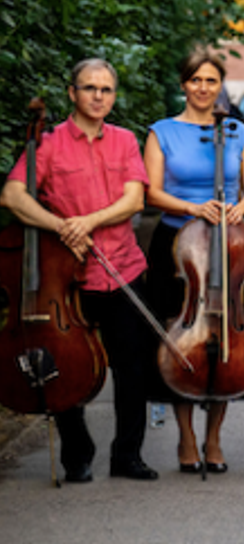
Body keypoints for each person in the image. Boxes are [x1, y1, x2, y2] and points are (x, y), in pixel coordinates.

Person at [0, 58, 158, 482]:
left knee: (132, 367)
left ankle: (128, 455)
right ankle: (77, 450)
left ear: (113, 95)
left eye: (106, 90)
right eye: (90, 88)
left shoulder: (125, 140)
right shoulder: (48, 144)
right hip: (68, 277)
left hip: (123, 267)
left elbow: (134, 200)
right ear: (73, 93)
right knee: (65, 364)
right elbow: (13, 197)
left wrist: (88, 222)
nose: (98, 96)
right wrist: (60, 226)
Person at [143, 51, 244, 475]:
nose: (203, 87)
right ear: (184, 84)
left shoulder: (237, 131)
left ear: (220, 86)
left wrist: (238, 210)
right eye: (196, 80)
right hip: (178, 245)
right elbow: (151, 193)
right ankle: (186, 437)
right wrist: (194, 208)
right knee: (181, 338)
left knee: (226, 339)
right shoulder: (162, 133)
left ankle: (214, 438)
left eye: (211, 81)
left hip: (228, 243)